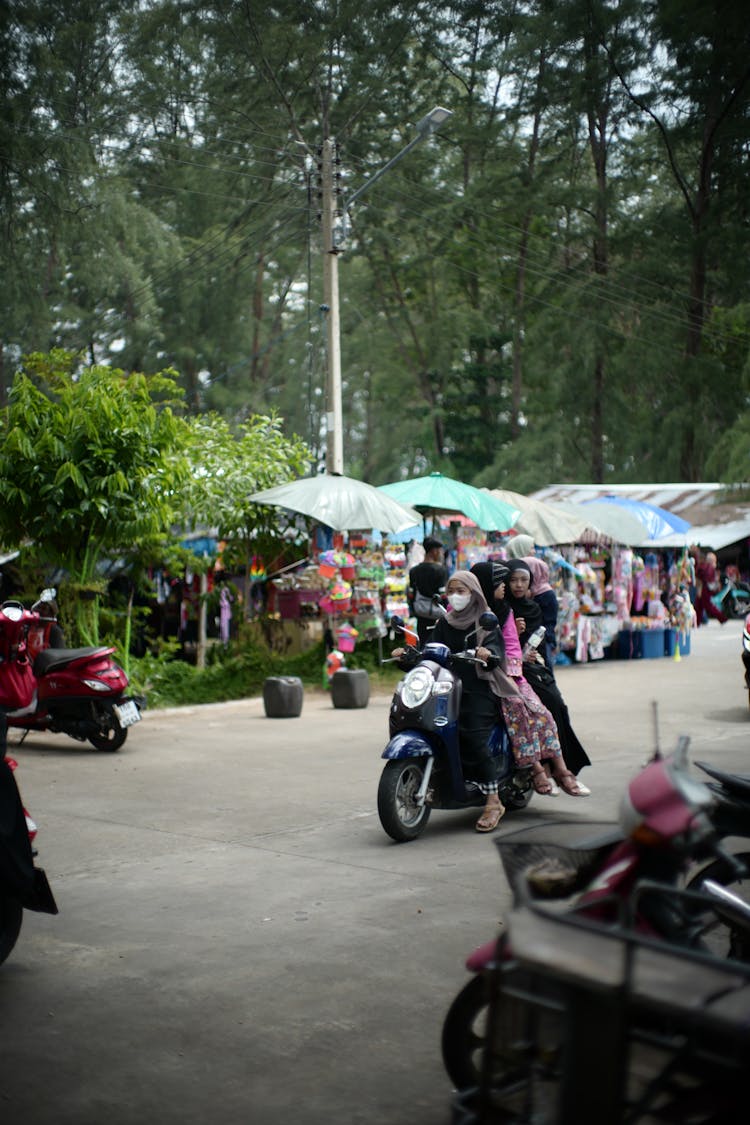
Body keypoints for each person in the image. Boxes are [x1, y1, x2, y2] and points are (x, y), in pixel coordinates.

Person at [471, 561, 590, 793]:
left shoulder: (514, 610)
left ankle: (558, 768)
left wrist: (520, 657)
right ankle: (539, 768)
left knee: (551, 705)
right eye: (508, 580)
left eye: (523, 580)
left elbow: (521, 645)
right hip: (496, 671)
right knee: (521, 708)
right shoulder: (482, 611)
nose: (514, 585)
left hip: (521, 667)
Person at [408, 536, 448, 645]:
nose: (441, 553)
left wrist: (413, 611)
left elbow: (411, 594)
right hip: (437, 617)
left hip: (420, 615)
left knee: (422, 643)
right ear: (434, 551)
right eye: (440, 551)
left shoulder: (413, 571)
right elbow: (443, 596)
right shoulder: (440, 571)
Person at [523, 555, 558, 675]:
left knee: (545, 670)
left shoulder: (546, 593)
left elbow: (549, 621)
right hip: (533, 638)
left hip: (542, 639)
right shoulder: (533, 591)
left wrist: (549, 641)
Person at [694, 549, 727, 626]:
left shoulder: (706, 566)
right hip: (705, 588)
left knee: (707, 606)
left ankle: (722, 618)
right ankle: (696, 622)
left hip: (704, 589)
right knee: (699, 606)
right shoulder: (709, 567)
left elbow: (703, 579)